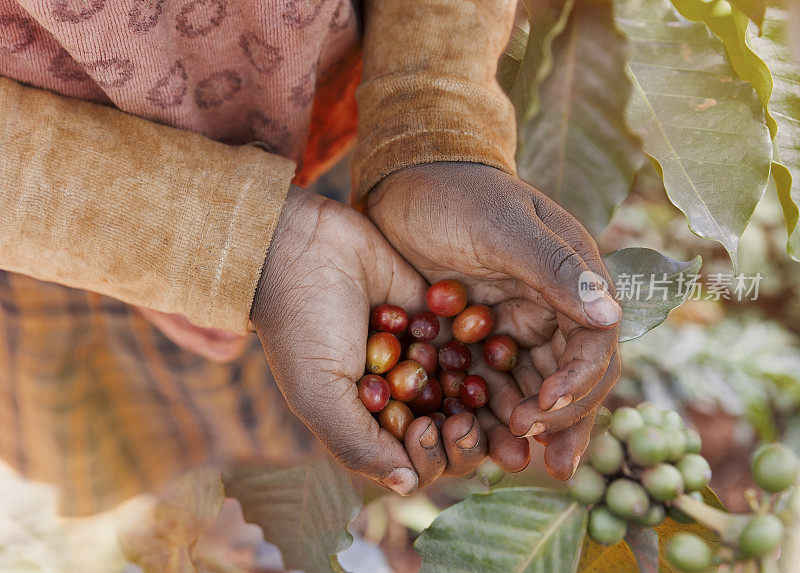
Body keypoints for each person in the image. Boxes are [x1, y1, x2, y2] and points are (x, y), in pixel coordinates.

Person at [0, 0, 621, 516]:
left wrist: (429, 122)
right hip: (67, 228)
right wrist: (240, 240)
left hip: (319, 143)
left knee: (308, 378)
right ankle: (182, 512)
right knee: (126, 414)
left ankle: (237, 507)